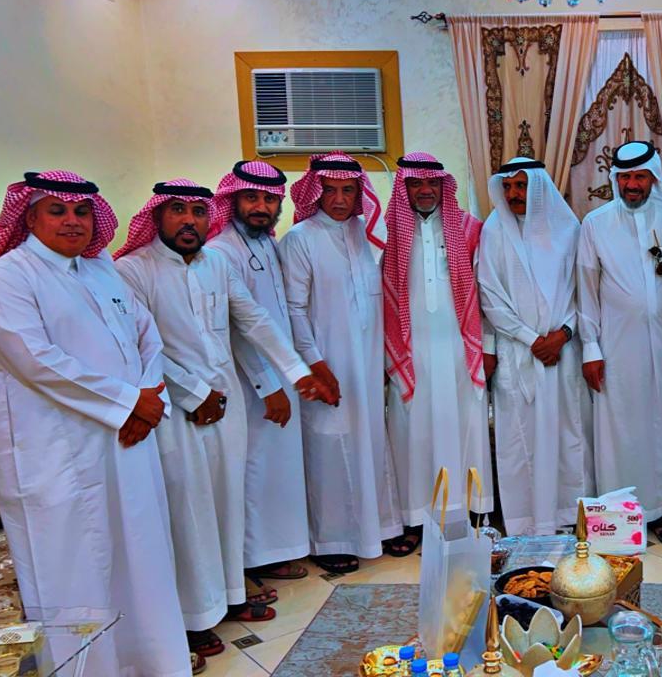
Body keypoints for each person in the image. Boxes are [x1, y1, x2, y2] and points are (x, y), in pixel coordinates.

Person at [113, 179, 332, 662]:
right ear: (157, 215)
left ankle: (228, 596)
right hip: (175, 410)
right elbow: (141, 347)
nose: (188, 220)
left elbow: (252, 319)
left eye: (197, 211)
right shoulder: (132, 270)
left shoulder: (216, 262)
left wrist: (297, 372)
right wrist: (192, 394)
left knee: (226, 503)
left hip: (225, 403)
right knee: (188, 511)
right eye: (177, 210)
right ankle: (193, 617)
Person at [0, 171, 194, 676]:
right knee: (74, 568)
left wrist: (149, 397)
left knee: (140, 556)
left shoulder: (102, 269)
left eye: (82, 212)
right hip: (56, 452)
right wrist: (129, 402)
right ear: (29, 217)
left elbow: (147, 335)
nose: (73, 221)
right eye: (57, 211)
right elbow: (35, 361)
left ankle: (153, 662)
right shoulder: (6, 277)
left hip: (128, 441)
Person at [281, 152, 404, 570]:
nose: (338, 199)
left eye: (347, 190)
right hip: (324, 363)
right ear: (316, 192)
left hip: (366, 365)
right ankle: (332, 540)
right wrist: (315, 363)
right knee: (329, 447)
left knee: (370, 440)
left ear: (358, 193)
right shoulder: (300, 239)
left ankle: (378, 527)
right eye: (330, 190)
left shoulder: (367, 234)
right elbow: (294, 309)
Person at [205, 161, 311, 587]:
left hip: (279, 374)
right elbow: (238, 328)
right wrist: (269, 386)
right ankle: (252, 560)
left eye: (269, 199)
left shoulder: (267, 243)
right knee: (254, 468)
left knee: (276, 467)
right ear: (233, 200)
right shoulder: (222, 251)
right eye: (251, 198)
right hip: (252, 383)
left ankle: (275, 552)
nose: (261, 207)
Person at [577, 141, 662, 544]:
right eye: (625, 177)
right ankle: (618, 517)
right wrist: (591, 349)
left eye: (640, 176)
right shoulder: (596, 223)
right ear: (615, 179)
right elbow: (586, 291)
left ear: (653, 177)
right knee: (619, 429)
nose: (632, 185)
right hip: (616, 347)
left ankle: (661, 510)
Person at [382, 152, 494, 538]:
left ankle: (470, 510)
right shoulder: (387, 232)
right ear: (404, 188)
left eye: (432, 183)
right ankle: (415, 516)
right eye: (416, 183)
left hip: (461, 348)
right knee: (412, 431)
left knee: (465, 425)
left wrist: (488, 346)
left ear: (444, 186)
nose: (425, 190)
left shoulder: (469, 228)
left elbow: (485, 291)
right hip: (410, 351)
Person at [477, 157, 592, 535]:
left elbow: (583, 290)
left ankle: (567, 515)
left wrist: (563, 334)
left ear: (538, 188)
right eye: (508, 187)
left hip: (564, 352)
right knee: (520, 440)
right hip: (518, 352)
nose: (513, 194)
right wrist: (532, 340)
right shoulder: (494, 230)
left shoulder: (568, 229)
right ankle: (526, 522)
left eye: (522, 185)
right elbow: (490, 297)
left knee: (568, 435)